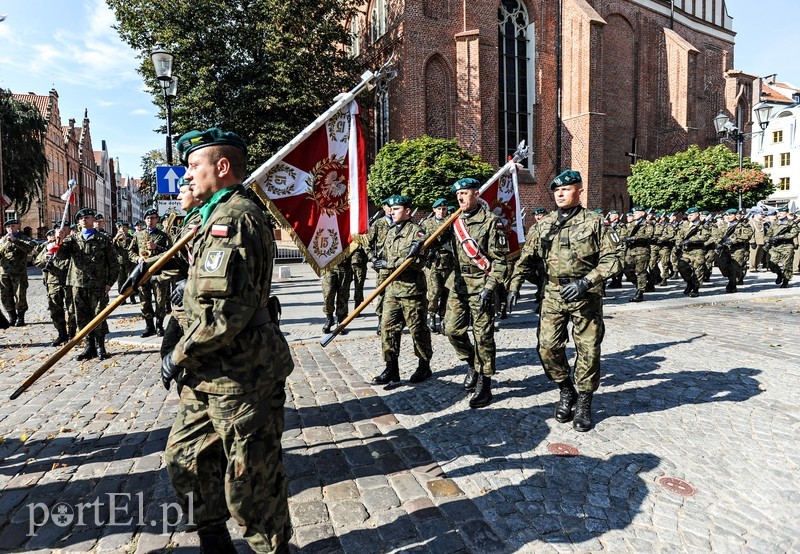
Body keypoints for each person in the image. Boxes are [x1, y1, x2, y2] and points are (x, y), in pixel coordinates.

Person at [163, 127, 293, 553]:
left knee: (252, 485)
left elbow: (226, 313)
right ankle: (214, 540)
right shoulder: (213, 216)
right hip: (210, 371)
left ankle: (271, 549)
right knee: (185, 460)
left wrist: (181, 352)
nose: (189, 174)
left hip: (242, 374)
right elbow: (205, 291)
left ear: (221, 167)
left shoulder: (233, 218)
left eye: (194, 165)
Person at [516, 171, 620, 431]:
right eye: (556, 191)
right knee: (547, 348)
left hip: (585, 295)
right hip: (552, 293)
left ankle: (585, 400)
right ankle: (566, 389)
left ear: (580, 191)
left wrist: (586, 282)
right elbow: (527, 257)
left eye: (566, 189)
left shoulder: (595, 223)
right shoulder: (544, 224)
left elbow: (614, 259)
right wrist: (513, 283)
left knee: (588, 349)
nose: (560, 194)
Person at [442, 178, 508, 409]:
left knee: (483, 336)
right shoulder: (453, 221)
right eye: (457, 194)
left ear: (476, 194)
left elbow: (500, 262)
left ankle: (485, 382)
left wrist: (490, 288)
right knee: (452, 330)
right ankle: (472, 362)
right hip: (458, 285)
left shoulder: (491, 222)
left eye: (465, 193)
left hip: (481, 284)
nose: (460, 197)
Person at [371, 195, 432, 385]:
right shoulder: (390, 231)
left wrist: (388, 264)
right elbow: (385, 255)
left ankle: (424, 365)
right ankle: (391, 369)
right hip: (392, 290)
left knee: (417, 330)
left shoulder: (418, 233)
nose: (391, 211)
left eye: (396, 209)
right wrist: (377, 262)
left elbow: (417, 262)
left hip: (411, 291)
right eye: (390, 208)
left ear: (407, 211)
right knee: (387, 328)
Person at [55, 208, 119, 360]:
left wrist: (110, 283)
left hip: (98, 285)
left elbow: (114, 263)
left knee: (99, 316)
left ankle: (100, 346)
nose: (84, 220)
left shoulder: (103, 239)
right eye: (82, 218)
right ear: (78, 221)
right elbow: (60, 255)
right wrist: (60, 239)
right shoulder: (73, 239)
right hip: (78, 285)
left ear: (93, 220)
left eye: (88, 217)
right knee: (82, 317)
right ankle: (88, 346)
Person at [128, 207, 172, 337]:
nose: (150, 220)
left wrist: (156, 247)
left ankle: (159, 325)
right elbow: (130, 252)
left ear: (157, 219)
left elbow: (170, 252)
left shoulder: (163, 235)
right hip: (143, 273)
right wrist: (138, 258)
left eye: (152, 218)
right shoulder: (138, 235)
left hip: (159, 273)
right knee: (144, 301)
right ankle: (149, 326)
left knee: (160, 300)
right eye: (148, 218)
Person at [421, 198, 454, 334]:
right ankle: (431, 316)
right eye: (439, 209)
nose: (441, 211)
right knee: (434, 292)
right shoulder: (426, 224)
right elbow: (421, 241)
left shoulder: (451, 223)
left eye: (444, 209)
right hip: (433, 263)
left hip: (448, 263)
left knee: (447, 292)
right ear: (434, 210)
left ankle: (443, 318)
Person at [34, 227, 71, 345]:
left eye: (64, 230)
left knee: (73, 310)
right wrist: (45, 259)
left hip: (70, 281)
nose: (60, 233)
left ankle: (72, 334)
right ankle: (61, 334)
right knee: (55, 310)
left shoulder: (72, 245)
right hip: (53, 282)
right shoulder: (48, 246)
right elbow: (37, 262)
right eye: (58, 231)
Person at [0, 218, 37, 326]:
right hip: (4, 272)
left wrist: (15, 240)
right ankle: (12, 316)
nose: (10, 229)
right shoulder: (2, 240)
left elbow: (30, 248)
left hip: (18, 272)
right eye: (8, 227)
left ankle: (21, 317)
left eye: (13, 226)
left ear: (18, 227)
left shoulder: (23, 238)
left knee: (20, 295)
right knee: (5, 295)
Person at [366, 199, 392, 333]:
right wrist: (372, 258)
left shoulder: (403, 224)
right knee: (382, 293)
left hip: (398, 264)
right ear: (384, 208)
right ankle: (380, 321)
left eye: (394, 207)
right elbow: (367, 243)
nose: (391, 209)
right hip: (383, 265)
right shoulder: (378, 224)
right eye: (389, 206)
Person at [675, 207, 712, 297]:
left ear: (697, 214)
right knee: (681, 267)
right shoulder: (685, 225)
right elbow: (679, 236)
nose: (689, 217)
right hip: (686, 251)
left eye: (691, 215)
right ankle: (689, 282)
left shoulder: (703, 225)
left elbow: (705, 236)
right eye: (688, 215)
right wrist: (678, 243)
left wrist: (691, 240)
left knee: (698, 270)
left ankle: (695, 289)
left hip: (697, 251)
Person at [714, 208, 753, 293]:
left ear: (736, 215)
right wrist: (718, 242)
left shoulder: (743, 225)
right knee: (723, 266)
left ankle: (732, 284)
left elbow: (747, 235)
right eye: (727, 215)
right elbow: (716, 235)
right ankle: (731, 280)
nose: (728, 217)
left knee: (734, 268)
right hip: (724, 249)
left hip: (737, 249)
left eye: (730, 215)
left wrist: (732, 240)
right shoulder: (723, 225)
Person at [621, 206, 653, 302]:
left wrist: (632, 238)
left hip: (642, 252)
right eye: (634, 213)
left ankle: (640, 292)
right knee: (627, 269)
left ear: (642, 214)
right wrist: (624, 238)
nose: (634, 214)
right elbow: (624, 234)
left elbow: (648, 235)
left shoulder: (647, 224)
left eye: (636, 213)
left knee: (640, 271)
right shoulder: (631, 224)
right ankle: (640, 284)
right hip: (630, 251)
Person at [765, 206, 799, 288]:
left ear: (786, 213)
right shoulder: (774, 223)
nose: (779, 214)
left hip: (786, 246)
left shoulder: (791, 223)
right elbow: (768, 234)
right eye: (778, 213)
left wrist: (780, 237)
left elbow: (794, 233)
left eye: (781, 213)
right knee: (771, 263)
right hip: (775, 247)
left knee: (787, 265)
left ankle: (786, 281)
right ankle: (779, 274)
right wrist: (767, 241)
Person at [320, 255, 352, 333]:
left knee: (343, 296)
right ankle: (329, 319)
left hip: (344, 266)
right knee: (328, 294)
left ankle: (341, 322)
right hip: (328, 266)